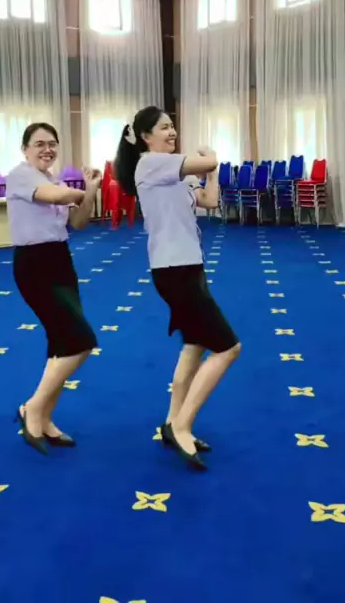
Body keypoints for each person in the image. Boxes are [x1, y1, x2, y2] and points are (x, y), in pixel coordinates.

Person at [115, 106, 241, 470]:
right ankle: (182, 425)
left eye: (173, 126)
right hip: (174, 271)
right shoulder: (151, 164)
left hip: (189, 267)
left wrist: (211, 173)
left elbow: (209, 201)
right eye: (164, 127)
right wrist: (210, 158)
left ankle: (173, 421)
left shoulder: (173, 170)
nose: (172, 132)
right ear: (145, 137)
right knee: (228, 348)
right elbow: (207, 160)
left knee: (195, 344)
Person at [6, 122, 101, 455]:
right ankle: (33, 407)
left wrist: (91, 189)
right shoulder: (20, 176)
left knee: (61, 343)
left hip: (60, 261)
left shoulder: (54, 180)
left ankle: (45, 417)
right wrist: (79, 192)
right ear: (25, 149)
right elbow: (58, 197)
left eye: (52, 144)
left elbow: (79, 222)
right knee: (81, 341)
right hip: (34, 265)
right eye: (39, 144)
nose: (47, 149)